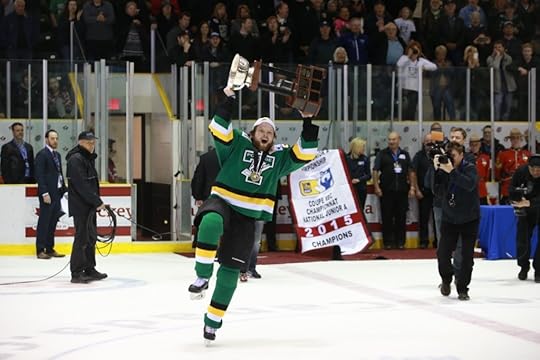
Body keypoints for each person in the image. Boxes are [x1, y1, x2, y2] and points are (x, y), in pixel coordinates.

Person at [188, 86, 318, 343]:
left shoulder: (280, 158)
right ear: (253, 132)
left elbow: (306, 152)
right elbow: (218, 126)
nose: (266, 135)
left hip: (248, 216)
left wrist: (308, 119)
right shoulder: (237, 143)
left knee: (230, 272)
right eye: (262, 130)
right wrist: (229, 96)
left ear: (274, 137)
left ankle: (212, 322)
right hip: (223, 200)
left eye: (270, 132)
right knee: (211, 221)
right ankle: (202, 275)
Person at [433, 141, 480, 301]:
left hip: (469, 219)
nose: (450, 159)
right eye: (449, 156)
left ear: (461, 155)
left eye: (453, 156)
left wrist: (451, 171)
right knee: (443, 253)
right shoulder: (445, 169)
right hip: (450, 218)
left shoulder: (470, 168)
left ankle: (462, 288)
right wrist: (436, 170)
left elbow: (468, 184)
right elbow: (436, 191)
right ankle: (446, 279)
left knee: (467, 256)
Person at [66, 130, 107, 284]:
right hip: (81, 206)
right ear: (81, 142)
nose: (92, 145)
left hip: (89, 206)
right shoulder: (76, 159)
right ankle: (76, 272)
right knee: (82, 238)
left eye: (93, 142)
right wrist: (97, 201)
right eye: (89, 142)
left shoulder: (87, 158)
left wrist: (95, 202)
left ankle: (89, 268)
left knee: (91, 237)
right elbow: (82, 185)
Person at [373, 131, 416, 250]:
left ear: (399, 140)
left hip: (402, 191)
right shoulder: (382, 154)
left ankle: (401, 242)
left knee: (401, 217)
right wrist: (377, 187)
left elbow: (411, 171)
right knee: (387, 217)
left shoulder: (405, 154)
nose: (391, 142)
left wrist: (412, 187)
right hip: (386, 191)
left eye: (394, 139)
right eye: (389, 140)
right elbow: (375, 170)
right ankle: (388, 243)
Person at [34, 129, 66, 259]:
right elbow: (39, 175)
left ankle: (50, 248)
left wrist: (63, 188)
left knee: (53, 221)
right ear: (46, 139)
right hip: (48, 194)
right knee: (44, 221)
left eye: (57, 138)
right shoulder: (42, 154)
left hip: (57, 193)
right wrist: (44, 193)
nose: (55, 141)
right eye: (52, 138)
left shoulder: (57, 155)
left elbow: (59, 173)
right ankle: (40, 249)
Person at [509, 155, 540, 283]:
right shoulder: (521, 172)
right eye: (534, 170)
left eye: (539, 170)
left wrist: (530, 202)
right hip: (525, 210)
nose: (536, 172)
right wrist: (516, 199)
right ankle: (523, 266)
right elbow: (511, 188)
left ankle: (539, 270)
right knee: (522, 239)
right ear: (529, 168)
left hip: (535, 204)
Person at [396, 41, 437, 121]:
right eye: (413, 49)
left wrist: (424, 67)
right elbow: (399, 64)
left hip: (415, 89)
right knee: (404, 108)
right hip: (404, 88)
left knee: (412, 108)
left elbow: (434, 67)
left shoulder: (421, 61)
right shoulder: (404, 58)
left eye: (416, 50)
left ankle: (410, 124)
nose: (414, 51)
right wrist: (409, 56)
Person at [496, 128, 531, 204]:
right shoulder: (503, 154)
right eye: (513, 138)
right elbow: (498, 172)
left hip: (523, 187)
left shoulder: (527, 154)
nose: (515, 140)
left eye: (517, 138)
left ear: (521, 139)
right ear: (510, 140)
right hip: (508, 187)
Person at [412, 133, 435, 249]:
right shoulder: (419, 156)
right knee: (424, 218)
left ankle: (438, 241)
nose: (429, 143)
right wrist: (416, 189)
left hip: (437, 193)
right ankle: (423, 241)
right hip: (423, 192)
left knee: (438, 219)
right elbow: (413, 172)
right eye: (427, 141)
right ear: (423, 142)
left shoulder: (438, 155)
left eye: (431, 141)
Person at [469, 133, 490, 205]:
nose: (474, 147)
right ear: (469, 145)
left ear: (480, 145)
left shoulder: (486, 158)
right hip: (469, 188)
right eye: (472, 145)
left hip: (481, 190)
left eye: (476, 145)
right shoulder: (466, 158)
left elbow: (487, 175)